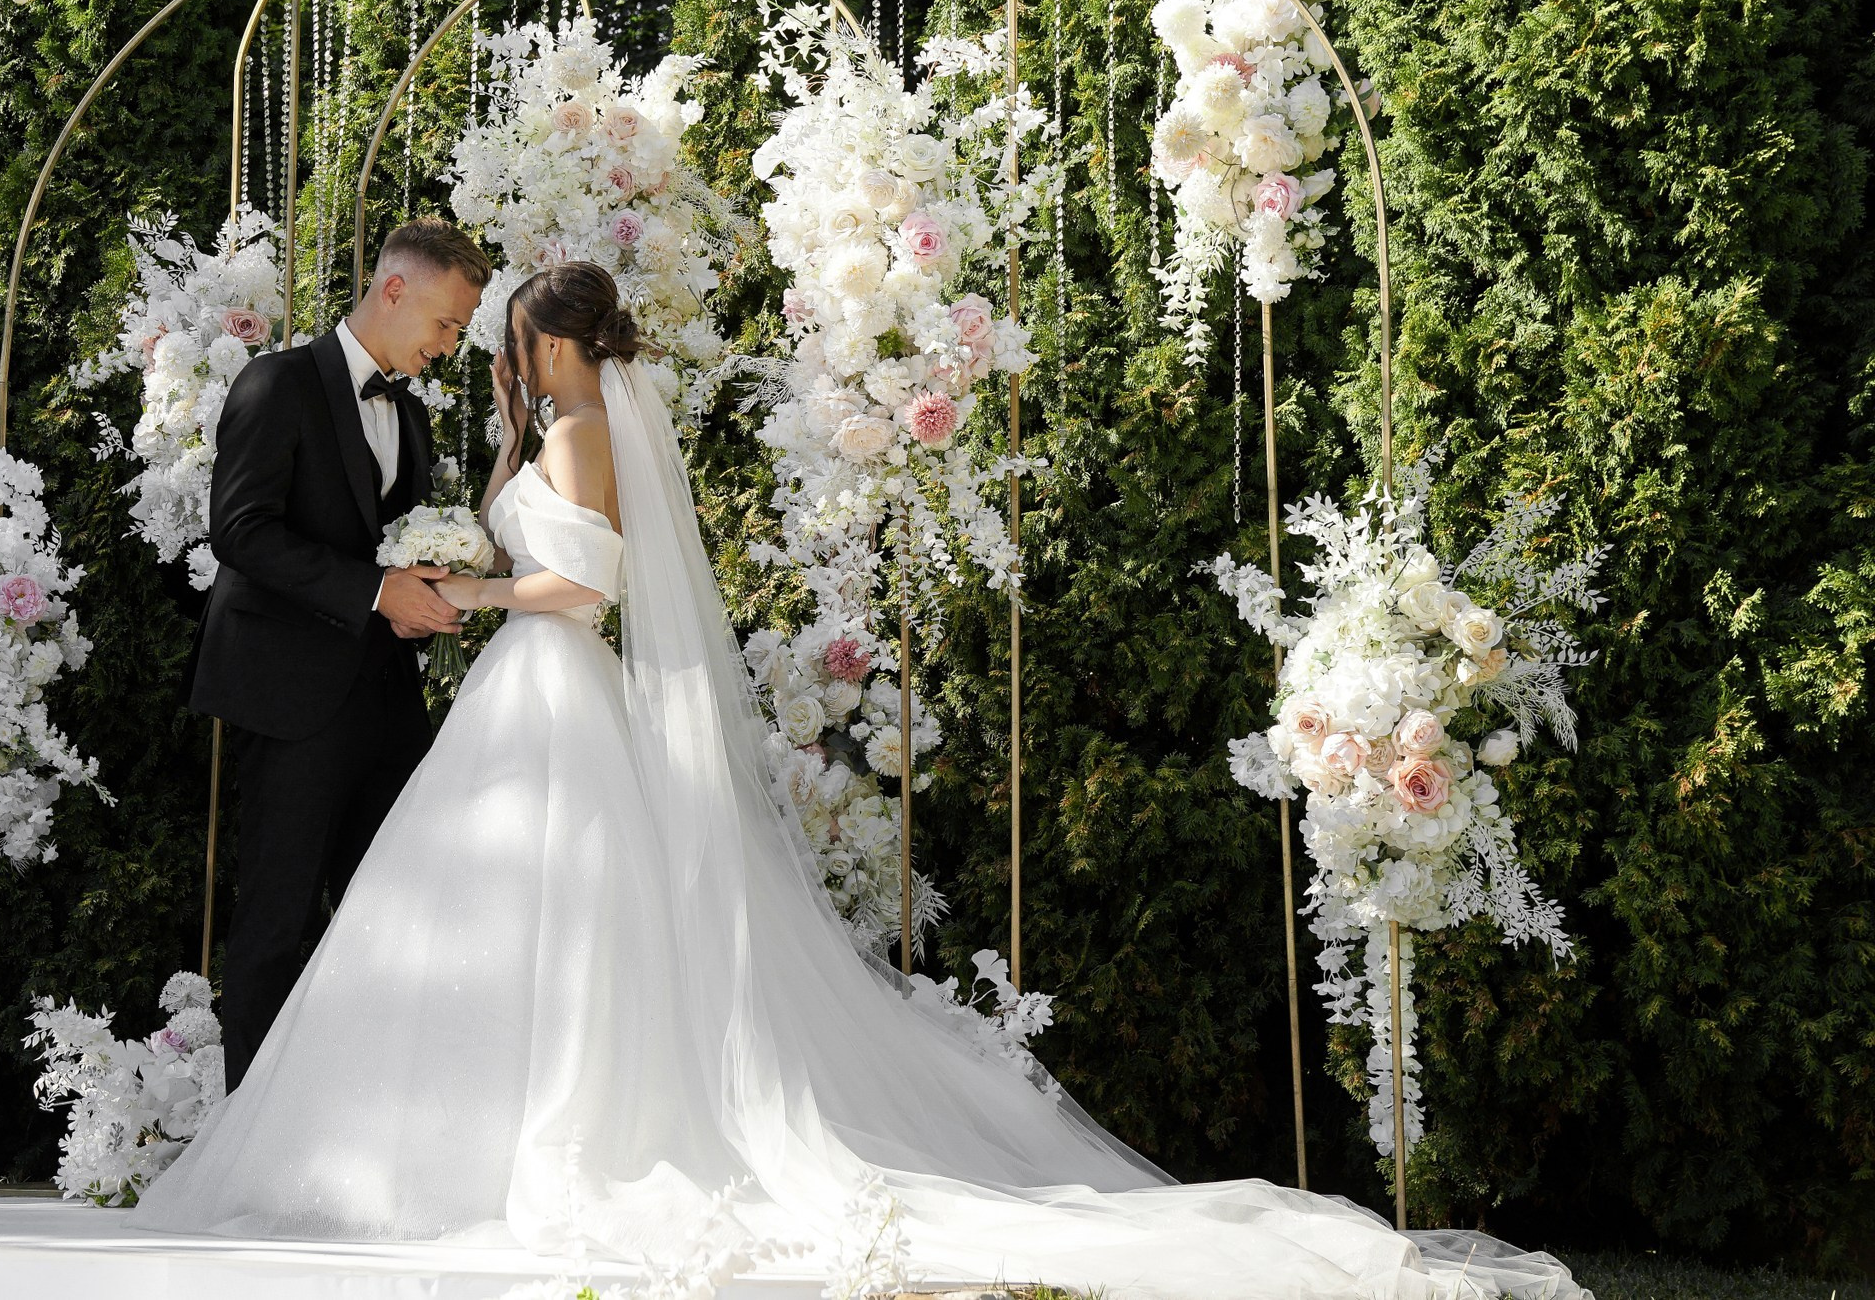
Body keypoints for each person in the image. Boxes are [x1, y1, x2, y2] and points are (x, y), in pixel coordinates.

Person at [144, 261, 1580, 1300]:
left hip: (539, 675)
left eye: (504, 341)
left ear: (556, 349)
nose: (491, 361)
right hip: (489, 696)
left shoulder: (573, 432)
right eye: (475, 336)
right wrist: (451, 577)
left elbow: (582, 590)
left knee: (554, 919)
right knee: (451, 912)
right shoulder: (469, 417)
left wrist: (467, 583)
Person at [185, 218, 489, 1088]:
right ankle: (246, 1145)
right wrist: (374, 591)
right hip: (287, 698)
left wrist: (416, 595)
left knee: (397, 917)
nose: (448, 344)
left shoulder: (415, 417)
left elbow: (381, 547)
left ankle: (365, 1119)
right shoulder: (276, 383)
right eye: (445, 323)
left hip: (385, 702)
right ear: (393, 288)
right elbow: (240, 532)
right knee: (278, 920)